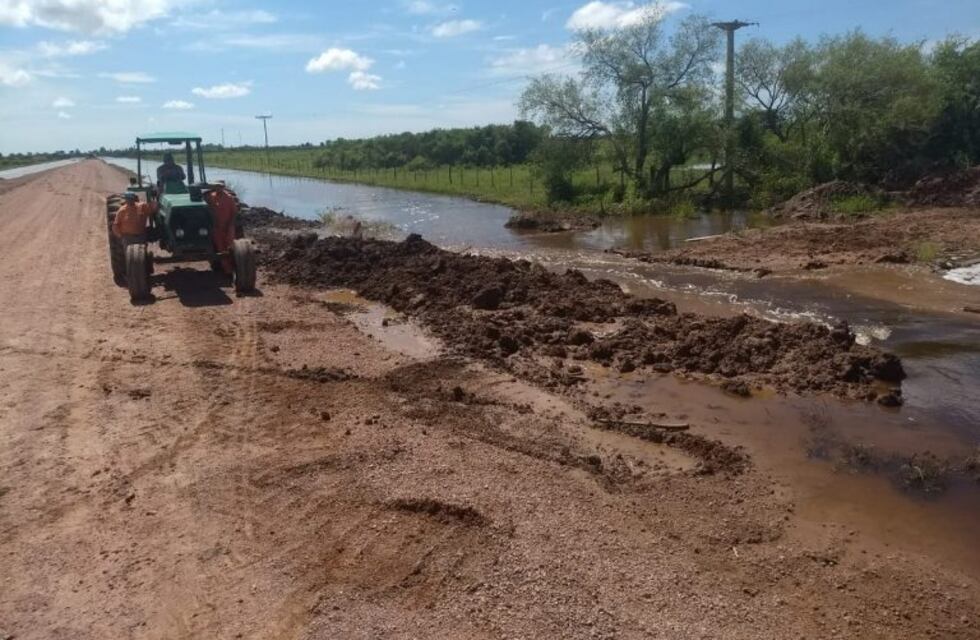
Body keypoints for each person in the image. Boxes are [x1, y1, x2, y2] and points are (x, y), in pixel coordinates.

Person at [205, 182, 238, 274]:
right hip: (216, 227)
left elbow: (234, 213)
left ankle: (235, 267)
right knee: (220, 248)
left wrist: (230, 224)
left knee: (230, 247)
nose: (217, 188)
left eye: (219, 187)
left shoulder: (229, 198)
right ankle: (227, 270)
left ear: (223, 187)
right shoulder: (211, 196)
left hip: (228, 226)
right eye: (216, 186)